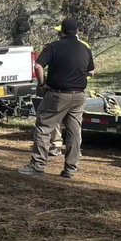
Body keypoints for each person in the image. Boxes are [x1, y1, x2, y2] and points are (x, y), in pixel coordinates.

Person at [18, 18, 95, 179]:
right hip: (79, 95)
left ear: (61, 32)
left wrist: (42, 83)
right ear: (77, 31)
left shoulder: (54, 46)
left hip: (58, 94)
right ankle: (70, 169)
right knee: (74, 132)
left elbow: (38, 66)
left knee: (44, 127)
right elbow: (91, 72)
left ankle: (38, 165)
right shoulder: (84, 48)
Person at [49, 22, 92, 156]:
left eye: (59, 32)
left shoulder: (83, 46)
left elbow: (89, 70)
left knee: (64, 120)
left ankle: (68, 147)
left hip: (69, 88)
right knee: (73, 122)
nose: (58, 34)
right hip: (76, 89)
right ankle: (62, 146)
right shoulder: (59, 46)